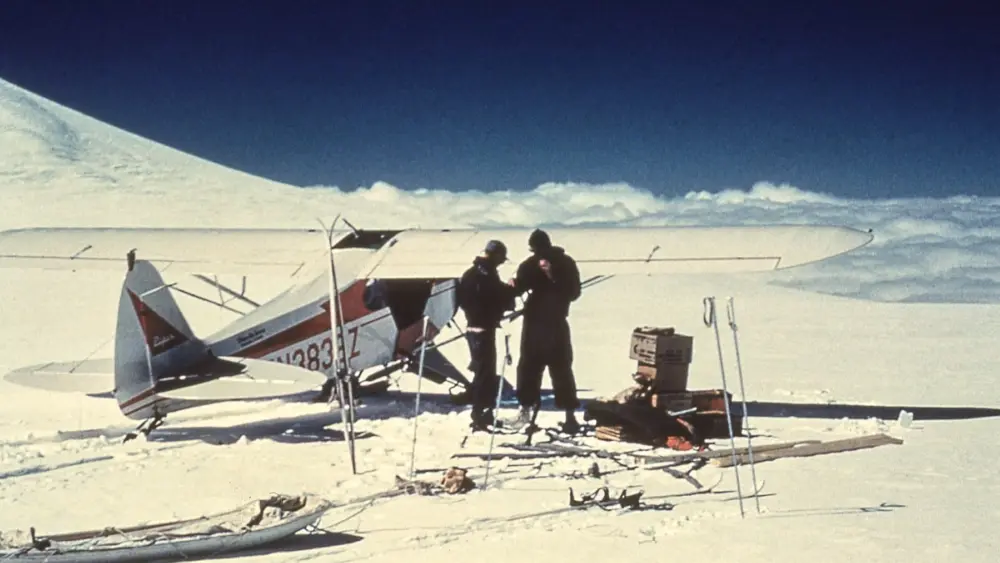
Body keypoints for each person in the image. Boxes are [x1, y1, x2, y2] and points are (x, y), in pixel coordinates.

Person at [505, 228, 583, 434]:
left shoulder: (562, 264)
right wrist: (513, 286)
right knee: (545, 368)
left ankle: (562, 415)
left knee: (550, 369)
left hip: (546, 324)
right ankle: (562, 415)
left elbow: (573, 292)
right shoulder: (535, 265)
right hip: (545, 323)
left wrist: (551, 274)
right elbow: (519, 288)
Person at [456, 240, 518, 430]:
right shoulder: (486, 276)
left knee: (482, 373)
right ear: (494, 256)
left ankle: (483, 413)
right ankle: (481, 414)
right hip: (483, 331)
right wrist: (511, 290)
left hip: (472, 329)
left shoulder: (471, 274)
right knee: (485, 375)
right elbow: (496, 295)